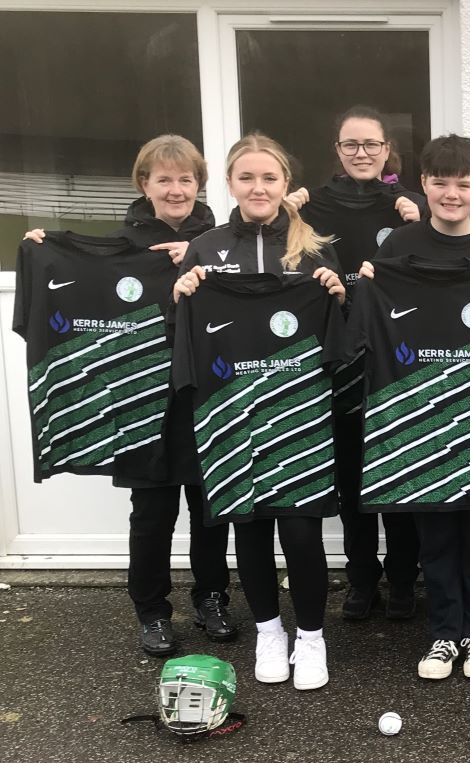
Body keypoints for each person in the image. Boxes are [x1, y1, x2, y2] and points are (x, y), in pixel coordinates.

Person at [24, 134, 234, 657]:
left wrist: (200, 258)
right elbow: (78, 270)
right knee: (153, 511)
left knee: (212, 509)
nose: (176, 188)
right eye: (164, 179)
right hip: (144, 397)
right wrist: (45, 251)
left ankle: (212, 599)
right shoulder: (120, 244)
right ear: (144, 184)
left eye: (186, 178)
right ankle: (153, 612)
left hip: (208, 391)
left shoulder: (222, 240)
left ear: (199, 183)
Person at [174, 133, 346, 690]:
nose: (258, 187)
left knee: (300, 534)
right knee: (248, 532)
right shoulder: (205, 246)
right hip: (232, 411)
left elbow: (343, 335)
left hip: (298, 412)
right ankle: (270, 630)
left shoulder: (314, 246)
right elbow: (185, 328)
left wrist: (337, 294)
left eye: (268, 177)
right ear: (230, 184)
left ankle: (312, 638)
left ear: (284, 184)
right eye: (246, 177)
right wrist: (183, 292)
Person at [364, 134, 470, 679]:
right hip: (420, 414)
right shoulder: (397, 248)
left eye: (463, 183)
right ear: (425, 185)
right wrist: (370, 284)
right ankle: (442, 634)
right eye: (440, 183)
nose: (452, 194)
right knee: (434, 532)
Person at [286, 105, 424, 622]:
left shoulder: (411, 205)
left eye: (371, 144)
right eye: (351, 145)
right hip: (337, 356)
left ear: (388, 150)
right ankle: (362, 579)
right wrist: (284, 204)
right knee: (352, 475)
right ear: (337, 152)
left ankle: (405, 579)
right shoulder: (311, 206)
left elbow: (452, 241)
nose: (362, 153)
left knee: (402, 464)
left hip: (399, 357)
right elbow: (267, 243)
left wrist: (423, 216)